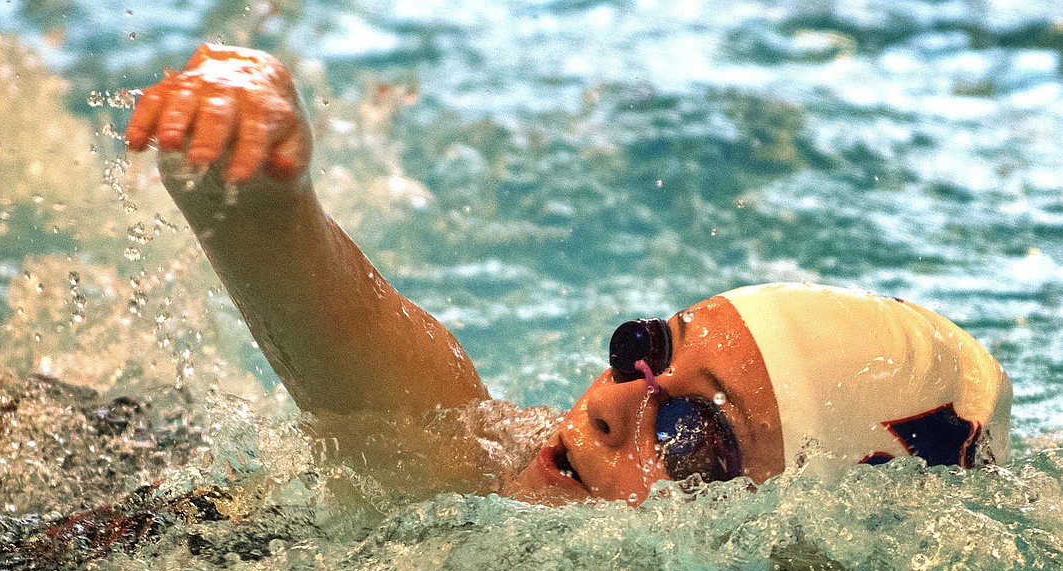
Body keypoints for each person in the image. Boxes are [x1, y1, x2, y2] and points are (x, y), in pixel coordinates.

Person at [125, 44, 1012, 508]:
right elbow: (310, 295)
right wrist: (248, 170)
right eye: (646, 350)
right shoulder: (464, 458)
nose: (608, 402)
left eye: (690, 435)